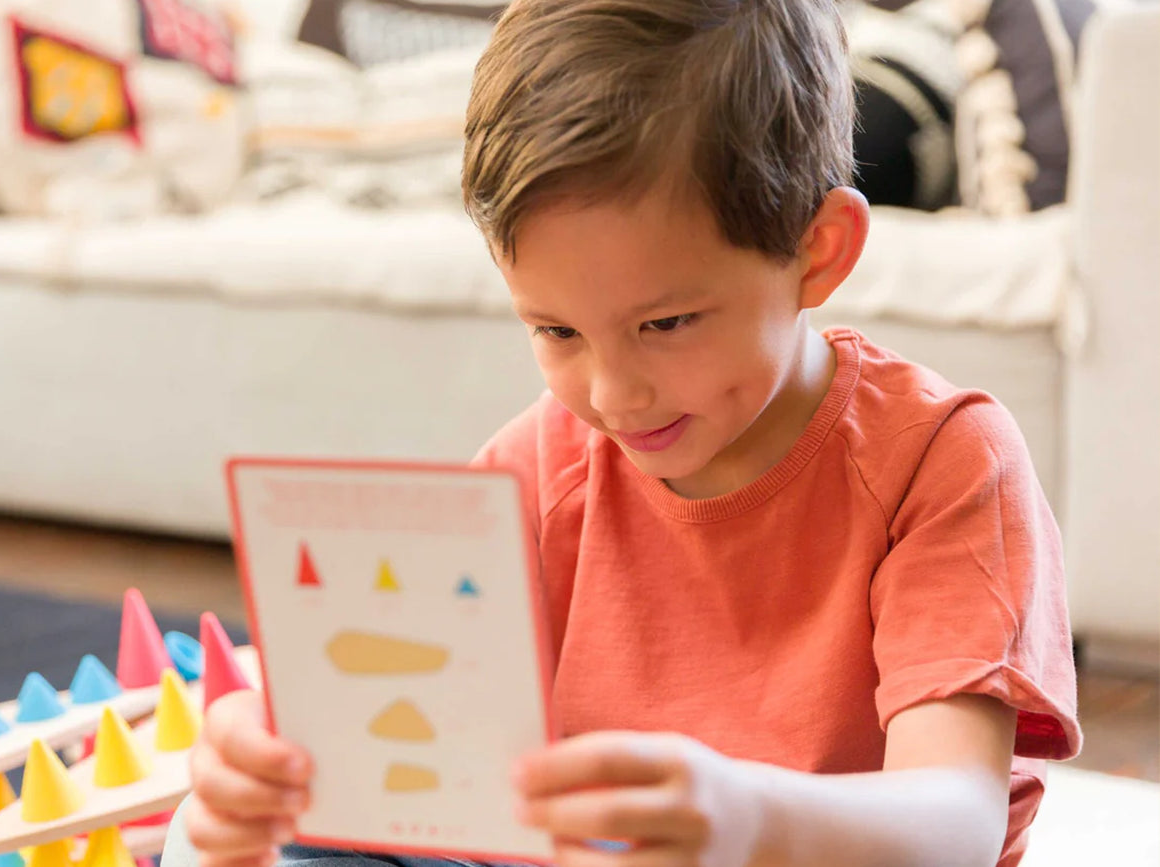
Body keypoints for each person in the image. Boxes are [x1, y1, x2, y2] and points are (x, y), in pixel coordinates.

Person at [168, 1, 1081, 865]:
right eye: (556, 331)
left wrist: (746, 818)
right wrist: (258, 774)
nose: (611, 396)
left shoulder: (944, 461)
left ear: (820, 251)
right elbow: (414, 755)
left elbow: (953, 826)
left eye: (667, 323)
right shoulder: (541, 467)